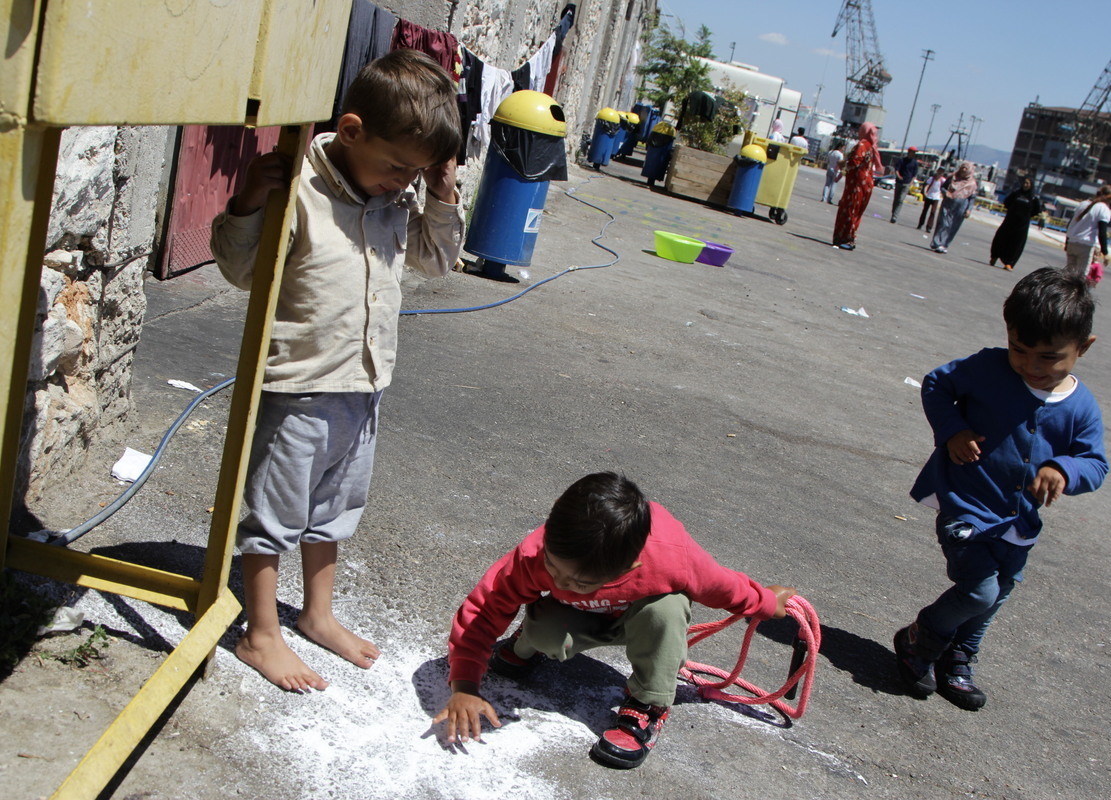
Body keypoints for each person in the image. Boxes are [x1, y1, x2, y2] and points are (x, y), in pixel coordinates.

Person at [209, 49, 464, 692]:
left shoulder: (402, 193)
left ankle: (317, 614)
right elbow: (240, 271)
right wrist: (248, 199)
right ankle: (261, 632)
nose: (402, 179)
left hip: (365, 383)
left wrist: (439, 193)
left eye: (417, 169)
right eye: (397, 165)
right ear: (351, 132)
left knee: (334, 508)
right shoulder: (299, 188)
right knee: (275, 510)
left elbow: (439, 262)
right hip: (299, 385)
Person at [433, 472, 795, 769]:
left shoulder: (670, 556)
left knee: (667, 609)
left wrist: (765, 602)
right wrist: (464, 686)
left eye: (579, 582)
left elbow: (722, 586)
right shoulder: (538, 552)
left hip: (637, 623)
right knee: (543, 627)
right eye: (552, 568)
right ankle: (526, 643)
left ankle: (647, 704)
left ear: (631, 567)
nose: (559, 582)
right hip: (577, 619)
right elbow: (484, 610)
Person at [894, 268, 1107, 711]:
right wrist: (953, 429)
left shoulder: (1081, 407)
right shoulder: (989, 368)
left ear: (1083, 347)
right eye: (1019, 349)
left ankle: (959, 659)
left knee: (998, 594)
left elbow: (1096, 464)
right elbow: (937, 384)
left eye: (1049, 357)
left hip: (1018, 523)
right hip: (965, 504)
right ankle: (920, 639)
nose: (1031, 366)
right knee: (979, 591)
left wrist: (1065, 470)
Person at [832, 122, 884, 250]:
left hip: (856, 184)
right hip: (865, 185)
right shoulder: (871, 147)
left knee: (850, 210)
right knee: (856, 213)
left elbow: (854, 163)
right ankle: (850, 238)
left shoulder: (862, 145)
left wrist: (843, 165)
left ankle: (846, 238)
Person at [990, 176, 1042, 270]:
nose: (1025, 185)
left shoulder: (1033, 198)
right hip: (1009, 222)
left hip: (1021, 226)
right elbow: (1007, 202)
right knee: (1001, 238)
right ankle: (994, 257)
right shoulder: (1016, 193)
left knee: (1016, 244)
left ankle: (1009, 263)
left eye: (1027, 183)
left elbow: (1036, 210)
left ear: (1031, 185)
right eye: (1024, 183)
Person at [1063, 184, 1111, 276]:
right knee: (1081, 277)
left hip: (1072, 242)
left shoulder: (1083, 204)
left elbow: (1071, 224)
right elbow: (1102, 232)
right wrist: (1105, 252)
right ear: (1109, 197)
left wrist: (1067, 242)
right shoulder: (1103, 208)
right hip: (1085, 246)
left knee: (1069, 275)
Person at [930, 162, 978, 254]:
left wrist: (969, 210)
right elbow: (943, 187)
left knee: (953, 227)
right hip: (948, 204)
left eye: (966, 168)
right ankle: (937, 242)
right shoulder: (953, 177)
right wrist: (945, 193)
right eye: (962, 167)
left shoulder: (972, 183)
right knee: (944, 223)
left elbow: (972, 198)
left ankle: (944, 244)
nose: (963, 170)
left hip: (961, 207)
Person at [890, 146, 920, 224]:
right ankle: (893, 213)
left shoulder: (915, 163)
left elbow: (914, 174)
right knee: (896, 199)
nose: (913, 154)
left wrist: (911, 182)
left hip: (907, 183)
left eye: (914, 152)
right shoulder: (902, 160)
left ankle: (895, 216)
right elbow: (896, 169)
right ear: (909, 152)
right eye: (912, 152)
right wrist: (898, 176)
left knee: (900, 200)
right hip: (899, 182)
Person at [916, 167, 945, 234]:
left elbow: (944, 187)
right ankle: (920, 224)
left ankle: (929, 227)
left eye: (942, 172)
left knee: (933, 212)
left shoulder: (943, 180)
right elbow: (927, 185)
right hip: (929, 196)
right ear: (937, 171)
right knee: (924, 211)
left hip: (936, 197)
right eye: (939, 171)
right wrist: (925, 192)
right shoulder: (932, 178)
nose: (940, 173)